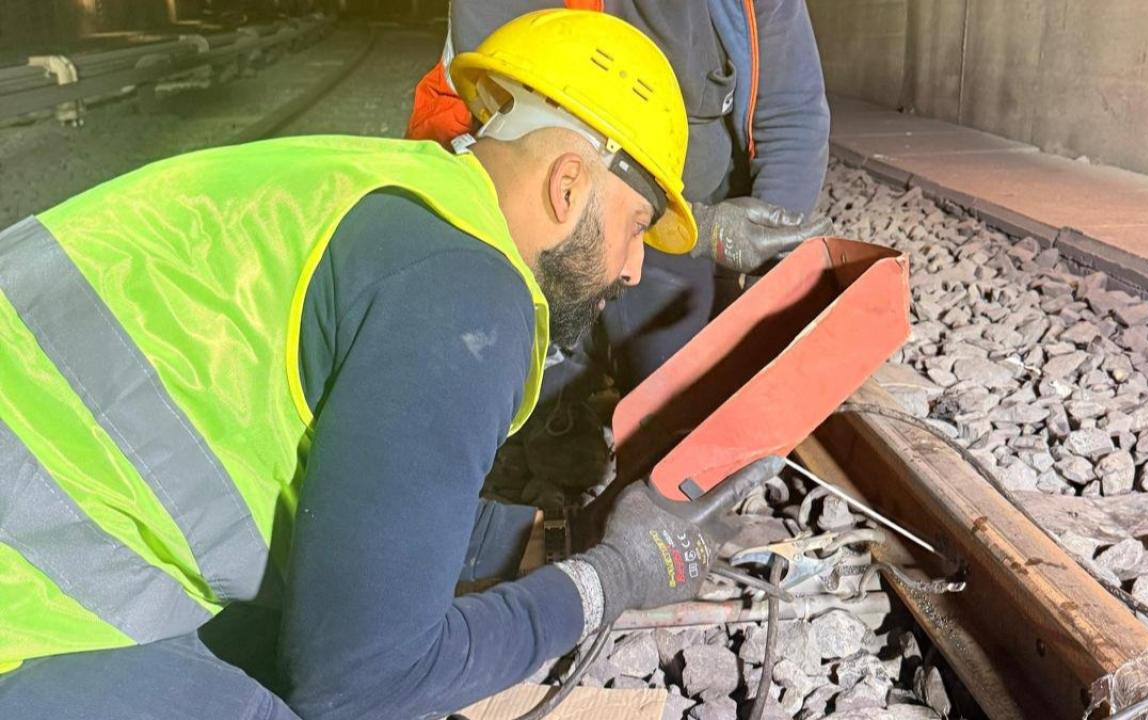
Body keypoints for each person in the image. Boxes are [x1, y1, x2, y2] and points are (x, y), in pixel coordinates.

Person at [0, 10, 776, 719]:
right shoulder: (467, 296)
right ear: (569, 186)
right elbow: (361, 683)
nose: (636, 268)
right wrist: (608, 583)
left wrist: (558, 539)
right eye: (637, 227)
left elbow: (362, 487)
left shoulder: (389, 198)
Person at [407, 0, 833, 395]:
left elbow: (791, 112)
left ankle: (597, 341)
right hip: (554, 204)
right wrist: (693, 230)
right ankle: (556, 368)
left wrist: (768, 267)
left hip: (670, 219)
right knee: (496, 347)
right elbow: (528, 162)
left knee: (673, 379)